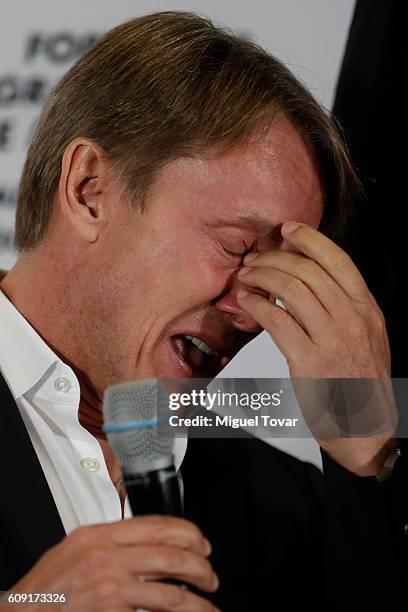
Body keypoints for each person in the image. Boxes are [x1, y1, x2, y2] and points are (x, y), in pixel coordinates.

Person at [0, 11, 406, 611]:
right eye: (237, 248)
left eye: (281, 276)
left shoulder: (280, 504)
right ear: (90, 190)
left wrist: (369, 449)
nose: (251, 313)